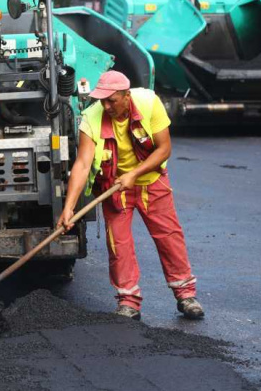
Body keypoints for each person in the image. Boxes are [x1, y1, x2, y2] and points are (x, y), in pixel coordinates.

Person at [58, 70, 205, 321]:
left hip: (151, 182)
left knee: (169, 237)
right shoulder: (91, 118)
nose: (106, 106)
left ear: (126, 96)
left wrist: (134, 174)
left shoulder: (149, 103)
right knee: (119, 245)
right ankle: (128, 301)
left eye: (111, 100)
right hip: (114, 188)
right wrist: (69, 208)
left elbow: (164, 148)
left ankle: (185, 294)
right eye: (102, 100)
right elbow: (82, 165)